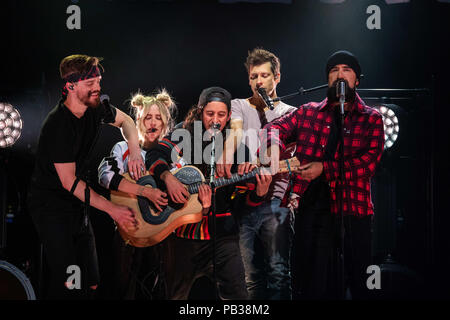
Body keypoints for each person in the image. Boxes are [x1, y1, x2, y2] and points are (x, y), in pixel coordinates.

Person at [261, 50, 384, 300]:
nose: (339, 75)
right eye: (333, 70)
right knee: (311, 285)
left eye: (346, 70)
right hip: (312, 211)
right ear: (327, 78)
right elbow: (273, 127)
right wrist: (274, 145)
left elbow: (367, 165)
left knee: (361, 284)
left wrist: (323, 169)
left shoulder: (372, 119)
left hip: (353, 211)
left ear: (357, 79)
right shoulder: (308, 112)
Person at [27, 54, 142, 299]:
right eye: (90, 84)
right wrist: (113, 209)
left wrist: (135, 151)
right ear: (70, 86)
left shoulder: (96, 107)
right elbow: (69, 182)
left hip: (78, 202)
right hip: (51, 206)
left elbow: (128, 122)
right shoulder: (58, 125)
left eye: (98, 81)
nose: (98, 88)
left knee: (90, 282)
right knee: (69, 283)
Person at [146, 87, 273, 300]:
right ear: (200, 111)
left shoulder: (238, 149)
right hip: (183, 236)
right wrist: (169, 179)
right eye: (210, 114)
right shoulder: (184, 133)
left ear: (229, 116)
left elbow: (241, 207)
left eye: (221, 115)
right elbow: (154, 155)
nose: (215, 120)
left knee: (239, 299)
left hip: (223, 238)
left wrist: (259, 194)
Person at [217, 48, 296, 300]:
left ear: (278, 77)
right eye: (253, 77)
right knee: (250, 278)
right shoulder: (239, 105)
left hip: (278, 203)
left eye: (264, 75)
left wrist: (295, 195)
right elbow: (236, 132)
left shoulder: (291, 112)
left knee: (279, 274)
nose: (258, 81)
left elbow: (294, 159)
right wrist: (227, 154)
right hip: (248, 199)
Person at [98, 90, 175, 299]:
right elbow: (105, 176)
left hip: (162, 235)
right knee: (122, 288)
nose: (153, 122)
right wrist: (144, 192)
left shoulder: (174, 155)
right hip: (127, 231)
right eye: (148, 117)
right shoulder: (124, 147)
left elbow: (184, 184)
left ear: (165, 123)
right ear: (138, 121)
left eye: (158, 117)